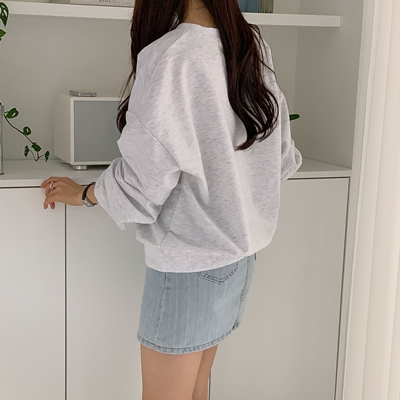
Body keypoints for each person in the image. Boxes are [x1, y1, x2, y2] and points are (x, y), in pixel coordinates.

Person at [41, 0, 302, 399]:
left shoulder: (171, 56)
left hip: (189, 265)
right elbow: (280, 155)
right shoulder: (249, 44)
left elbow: (144, 181)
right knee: (196, 390)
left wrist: (86, 194)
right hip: (238, 260)